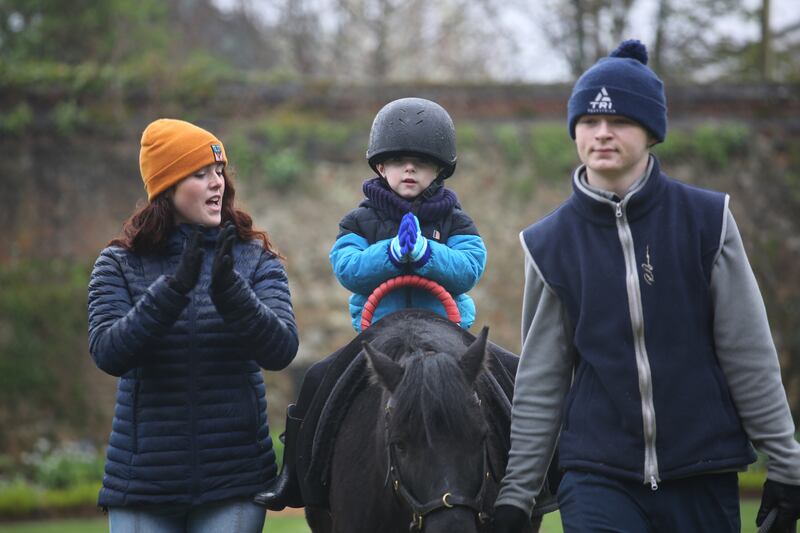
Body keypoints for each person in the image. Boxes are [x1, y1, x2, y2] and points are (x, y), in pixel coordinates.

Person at [493, 40, 800, 532]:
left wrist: (786, 465)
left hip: (702, 472)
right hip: (597, 478)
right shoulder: (549, 243)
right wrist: (516, 495)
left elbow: (748, 351)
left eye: (620, 121)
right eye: (590, 122)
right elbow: (541, 381)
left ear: (652, 131)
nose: (603, 133)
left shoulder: (706, 221)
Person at [256, 96, 489, 511]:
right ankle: (295, 476)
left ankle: (540, 475)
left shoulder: (456, 221)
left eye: (421, 161)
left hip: (446, 339)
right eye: (399, 160)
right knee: (316, 378)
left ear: (439, 169)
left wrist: (424, 253)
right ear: (381, 167)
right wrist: (391, 253)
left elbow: (470, 265)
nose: (410, 168)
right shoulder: (358, 221)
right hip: (380, 340)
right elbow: (346, 266)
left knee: (511, 373)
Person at [88, 118, 299, 533]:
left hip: (234, 480)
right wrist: (173, 289)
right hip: (143, 483)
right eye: (200, 174)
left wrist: (231, 293)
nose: (216, 183)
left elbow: (281, 350)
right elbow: (109, 352)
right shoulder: (118, 263)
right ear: (166, 187)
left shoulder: (254, 257)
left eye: (219, 171)